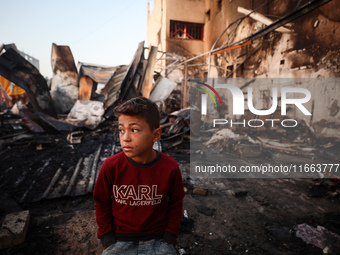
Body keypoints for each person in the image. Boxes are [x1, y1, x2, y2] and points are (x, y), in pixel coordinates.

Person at [93, 97, 185, 255]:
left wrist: (170, 236)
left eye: (134, 130)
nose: (125, 137)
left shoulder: (170, 168)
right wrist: (107, 237)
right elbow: (101, 202)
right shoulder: (111, 167)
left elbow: (176, 203)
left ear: (156, 135)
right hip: (120, 241)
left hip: (158, 241)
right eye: (121, 129)